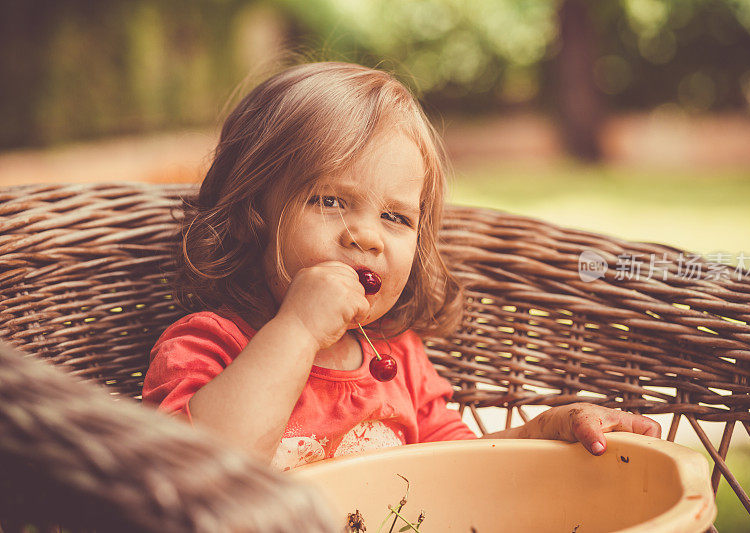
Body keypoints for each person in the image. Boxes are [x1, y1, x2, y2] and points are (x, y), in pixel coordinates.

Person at [143, 61, 661, 471]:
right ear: (250, 213)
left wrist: (543, 432)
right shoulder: (207, 346)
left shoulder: (400, 361)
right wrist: (298, 329)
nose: (366, 236)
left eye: (394, 216)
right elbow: (199, 472)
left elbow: (457, 470)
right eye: (329, 200)